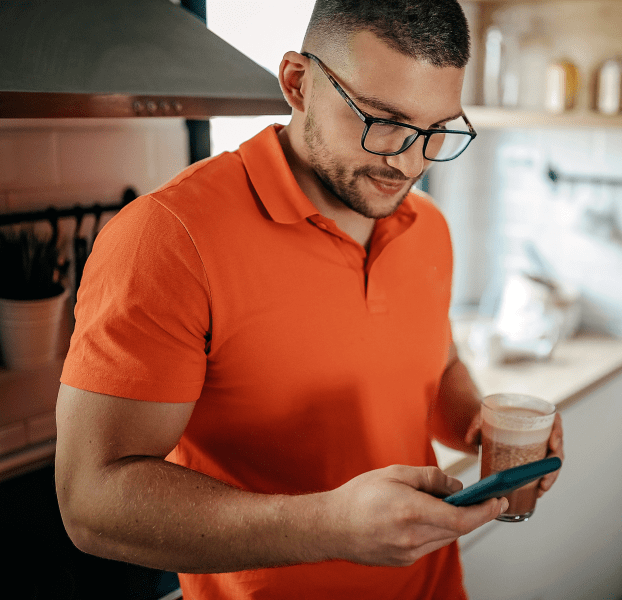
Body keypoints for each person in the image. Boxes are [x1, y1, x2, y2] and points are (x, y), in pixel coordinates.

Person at [55, 1, 565, 599]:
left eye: (435, 132)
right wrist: (331, 527)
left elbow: (436, 366)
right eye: (381, 121)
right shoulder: (167, 238)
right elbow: (90, 502)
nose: (408, 162)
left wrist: (481, 425)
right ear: (298, 83)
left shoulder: (428, 228)